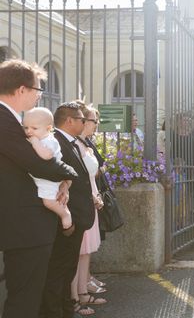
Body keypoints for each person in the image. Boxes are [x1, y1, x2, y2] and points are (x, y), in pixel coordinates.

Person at [0, 59, 77, 318]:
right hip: (23, 227)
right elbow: (38, 164)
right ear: (22, 89)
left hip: (25, 226)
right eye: (37, 90)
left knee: (27, 296)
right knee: (24, 300)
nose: (39, 96)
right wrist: (70, 174)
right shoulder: (3, 118)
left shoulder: (12, 119)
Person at [40, 101, 96, 318]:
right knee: (59, 269)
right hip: (65, 219)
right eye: (83, 119)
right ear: (70, 120)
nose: (85, 122)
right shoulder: (56, 141)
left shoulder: (71, 141)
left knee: (68, 268)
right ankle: (54, 312)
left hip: (77, 217)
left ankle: (65, 309)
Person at [71, 103, 106, 316]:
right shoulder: (74, 144)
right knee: (77, 252)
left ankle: (83, 292)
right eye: (93, 120)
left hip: (92, 196)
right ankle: (74, 298)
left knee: (86, 252)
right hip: (84, 198)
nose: (95, 124)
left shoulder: (86, 144)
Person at [22, 107, 74, 235]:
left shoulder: (49, 141)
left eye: (34, 128)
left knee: (49, 202)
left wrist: (34, 142)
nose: (29, 131)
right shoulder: (40, 138)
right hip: (41, 178)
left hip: (48, 179)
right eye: (26, 127)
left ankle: (65, 214)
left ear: (48, 128)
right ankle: (63, 208)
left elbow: (46, 156)